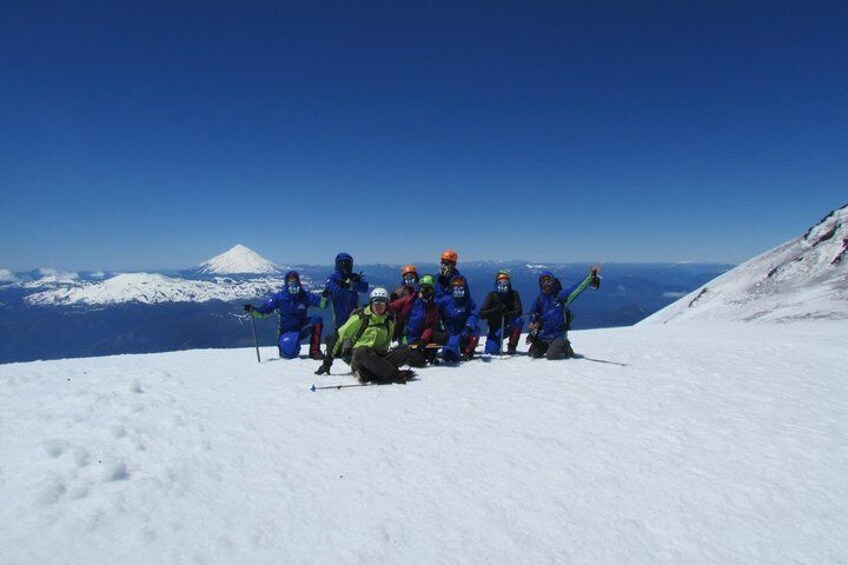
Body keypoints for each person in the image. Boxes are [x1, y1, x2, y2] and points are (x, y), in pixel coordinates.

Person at [314, 288, 414, 383]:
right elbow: (339, 335)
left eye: (382, 302)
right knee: (363, 350)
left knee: (405, 349)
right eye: (376, 301)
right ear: (371, 302)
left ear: (386, 304)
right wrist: (327, 362)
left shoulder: (389, 321)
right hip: (359, 359)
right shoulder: (361, 318)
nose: (378, 305)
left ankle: (371, 374)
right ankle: (394, 375)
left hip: (378, 357)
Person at [244, 271, 324, 359]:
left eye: (295, 280)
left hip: (302, 327)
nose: (293, 283)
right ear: (286, 283)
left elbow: (322, 304)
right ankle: (284, 348)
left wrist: (327, 295)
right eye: (290, 281)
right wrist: (253, 310)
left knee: (316, 320)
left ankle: (314, 351)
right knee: (290, 354)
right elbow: (263, 311)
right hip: (287, 331)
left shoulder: (304, 295)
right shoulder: (279, 298)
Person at [527, 266, 601, 360]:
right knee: (533, 353)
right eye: (543, 282)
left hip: (558, 335)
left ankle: (564, 345)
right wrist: (532, 324)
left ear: (553, 282)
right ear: (540, 284)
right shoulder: (539, 299)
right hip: (544, 335)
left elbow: (576, 288)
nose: (546, 284)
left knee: (551, 356)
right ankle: (549, 346)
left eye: (549, 281)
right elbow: (533, 314)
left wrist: (590, 277)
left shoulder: (561, 296)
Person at [323, 252, 369, 357]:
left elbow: (364, 287)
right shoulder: (333, 277)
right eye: (342, 263)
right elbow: (333, 291)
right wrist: (346, 285)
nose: (345, 266)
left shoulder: (353, 277)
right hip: (340, 316)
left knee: (354, 343)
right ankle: (331, 341)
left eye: (347, 263)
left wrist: (353, 284)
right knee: (338, 350)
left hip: (354, 313)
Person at [399, 274, 441, 367]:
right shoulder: (412, 301)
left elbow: (431, 325)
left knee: (441, 336)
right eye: (423, 289)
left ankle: (429, 353)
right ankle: (410, 356)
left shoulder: (433, 305)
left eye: (428, 289)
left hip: (421, 337)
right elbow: (396, 306)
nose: (426, 292)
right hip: (409, 338)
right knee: (419, 362)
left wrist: (423, 339)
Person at [478, 271, 524, 355]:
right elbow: (481, 314)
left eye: (505, 282)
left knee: (518, 321)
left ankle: (512, 345)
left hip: (508, 325)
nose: (503, 284)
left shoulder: (513, 294)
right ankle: (494, 343)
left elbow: (519, 311)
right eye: (500, 282)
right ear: (496, 284)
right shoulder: (491, 296)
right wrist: (495, 311)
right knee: (492, 352)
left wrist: (508, 313)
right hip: (495, 328)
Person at [437, 274, 479, 362]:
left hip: (464, 330)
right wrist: (440, 323)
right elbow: (435, 311)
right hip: (450, 332)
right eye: (456, 288)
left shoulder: (468, 301)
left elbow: (473, 314)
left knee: (475, 332)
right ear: (452, 288)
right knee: (450, 354)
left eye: (460, 288)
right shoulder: (445, 300)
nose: (458, 291)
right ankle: (450, 351)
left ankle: (467, 352)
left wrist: (469, 325)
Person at [387, 265, 419, 341]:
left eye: (412, 276)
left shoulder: (421, 290)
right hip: (402, 322)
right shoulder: (399, 291)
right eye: (407, 277)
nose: (409, 279)